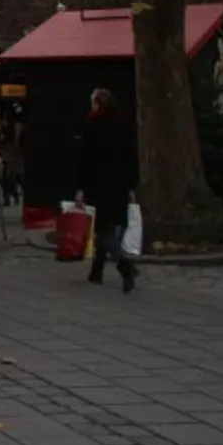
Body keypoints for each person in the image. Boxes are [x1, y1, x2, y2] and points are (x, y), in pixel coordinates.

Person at [75, 88, 139, 293]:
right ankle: (97, 272)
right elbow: (130, 159)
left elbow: (85, 160)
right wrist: (130, 185)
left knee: (103, 231)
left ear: (98, 105)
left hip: (98, 184)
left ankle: (125, 265)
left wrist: (80, 187)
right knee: (108, 227)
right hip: (118, 185)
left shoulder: (91, 127)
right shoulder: (121, 127)